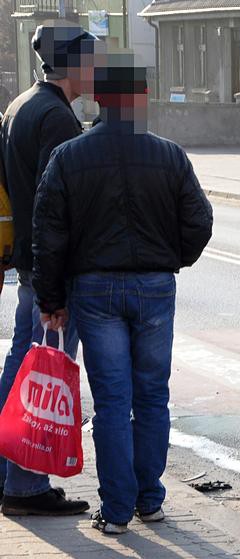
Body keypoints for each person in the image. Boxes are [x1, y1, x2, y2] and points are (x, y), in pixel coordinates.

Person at [32, 54, 214, 534]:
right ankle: (150, 500)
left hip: (94, 290)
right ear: (141, 98)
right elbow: (199, 222)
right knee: (153, 396)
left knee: (112, 401)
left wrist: (51, 300)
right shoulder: (169, 154)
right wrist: (169, 259)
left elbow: (48, 234)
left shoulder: (70, 156)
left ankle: (115, 513)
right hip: (155, 287)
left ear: (98, 99)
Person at [0, 22, 99, 517]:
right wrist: (53, 292)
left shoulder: (21, 105)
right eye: (92, 59)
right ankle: (25, 485)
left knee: (21, 368)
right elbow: (52, 207)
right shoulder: (57, 119)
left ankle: (9, 474)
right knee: (43, 377)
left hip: (29, 262)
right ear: (73, 66)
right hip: (47, 270)